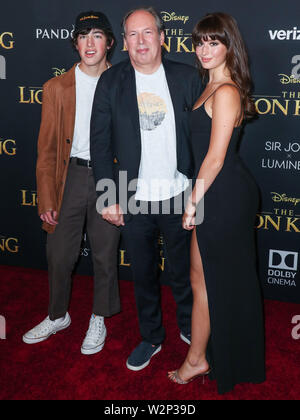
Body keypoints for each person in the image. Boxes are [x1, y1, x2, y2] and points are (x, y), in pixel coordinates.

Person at [90, 7, 201, 371]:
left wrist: (200, 193)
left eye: (148, 32)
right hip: (132, 195)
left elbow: (204, 139)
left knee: (185, 271)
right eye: (133, 35)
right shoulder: (112, 81)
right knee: (143, 274)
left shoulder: (188, 77)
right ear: (124, 42)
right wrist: (109, 198)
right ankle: (152, 336)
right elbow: (100, 143)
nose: (140, 41)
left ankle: (189, 326)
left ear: (162, 37)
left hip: (180, 192)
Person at [168, 12, 265, 394]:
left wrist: (191, 203)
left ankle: (204, 358)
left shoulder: (226, 91)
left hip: (224, 195)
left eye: (213, 42)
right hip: (212, 191)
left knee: (216, 279)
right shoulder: (207, 85)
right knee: (199, 277)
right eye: (200, 42)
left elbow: (216, 157)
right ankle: (198, 357)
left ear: (229, 46)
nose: (204, 49)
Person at [23, 11, 121, 355]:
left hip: (109, 176)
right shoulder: (56, 87)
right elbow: (46, 149)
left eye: (97, 35)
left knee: (106, 254)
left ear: (109, 42)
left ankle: (99, 316)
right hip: (71, 176)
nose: (89, 43)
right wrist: (46, 198)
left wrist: (125, 191)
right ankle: (57, 315)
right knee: (59, 254)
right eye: (83, 36)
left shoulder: (125, 82)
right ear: (75, 43)